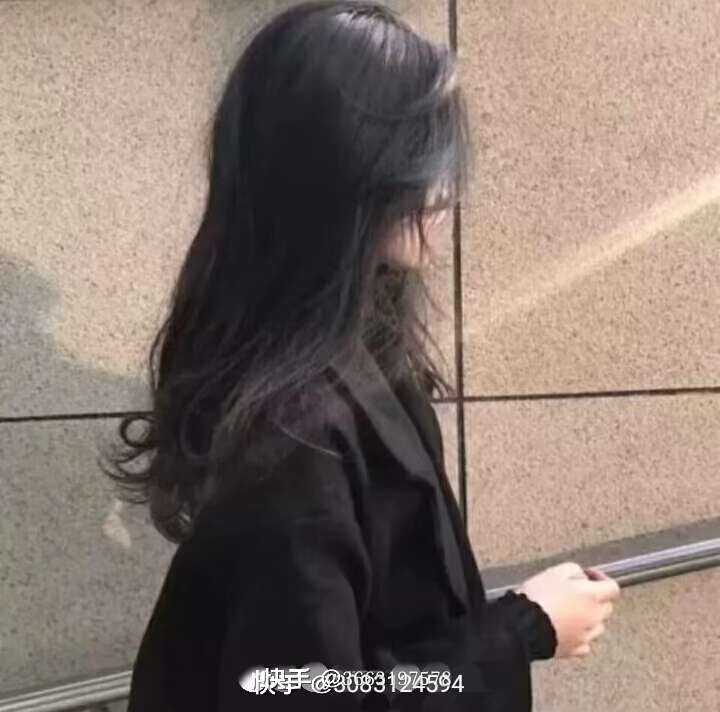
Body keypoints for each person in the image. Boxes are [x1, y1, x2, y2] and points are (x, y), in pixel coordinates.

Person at [102, 2, 621, 710]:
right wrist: (522, 630)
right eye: (421, 156)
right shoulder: (292, 434)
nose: (446, 190)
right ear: (339, 170)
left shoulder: (343, 360)